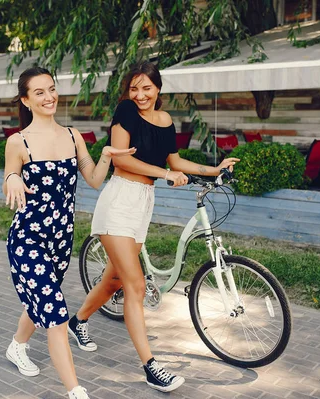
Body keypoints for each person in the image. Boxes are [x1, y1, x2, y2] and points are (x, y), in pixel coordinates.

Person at [67, 61, 239, 393]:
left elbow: (175, 162)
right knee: (134, 285)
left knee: (113, 279)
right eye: (134, 88)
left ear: (158, 88)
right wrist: (165, 175)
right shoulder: (126, 111)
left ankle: (78, 321)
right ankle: (150, 367)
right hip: (118, 201)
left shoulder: (165, 121)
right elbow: (119, 158)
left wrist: (212, 168)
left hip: (143, 203)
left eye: (146, 87)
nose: (140, 94)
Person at [2, 67, 136, 399]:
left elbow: (92, 178)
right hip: (27, 240)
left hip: (60, 241)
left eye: (51, 89)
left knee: (41, 304)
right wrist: (13, 179)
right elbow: (9, 176)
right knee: (57, 315)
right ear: (26, 100)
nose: (49, 97)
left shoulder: (74, 136)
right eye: (39, 93)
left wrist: (104, 155)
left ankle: (17, 346)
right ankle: (76, 391)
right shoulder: (17, 142)